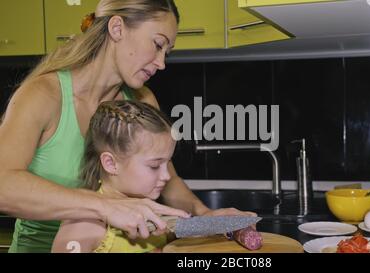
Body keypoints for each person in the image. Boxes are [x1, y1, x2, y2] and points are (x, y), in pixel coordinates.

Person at [0, 0, 252, 253]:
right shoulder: (43, 95)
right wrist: (105, 206)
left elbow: (168, 179)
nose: (162, 62)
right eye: (157, 44)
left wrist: (205, 215)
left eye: (167, 52)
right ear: (117, 28)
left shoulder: (142, 100)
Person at [53, 100, 179, 253]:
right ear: (111, 164)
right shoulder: (84, 224)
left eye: (168, 163)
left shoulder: (153, 211)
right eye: (154, 166)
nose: (167, 176)